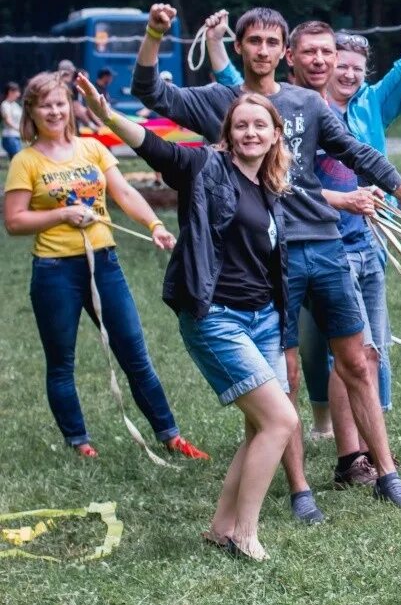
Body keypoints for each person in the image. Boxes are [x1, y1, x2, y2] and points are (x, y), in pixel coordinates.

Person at [132, 3, 401, 520]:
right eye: (252, 42)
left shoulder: (307, 101)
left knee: (357, 361)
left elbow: (360, 154)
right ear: (239, 49)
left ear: (283, 52)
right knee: (283, 378)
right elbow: (150, 93)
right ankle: (300, 489)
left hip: (326, 248)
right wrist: (154, 35)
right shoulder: (220, 101)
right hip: (268, 261)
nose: (262, 50)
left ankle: (387, 472)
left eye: (271, 42)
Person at [207, 0, 401, 466]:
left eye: (354, 66)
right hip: (306, 244)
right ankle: (333, 444)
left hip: (368, 242)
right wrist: (215, 45)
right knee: (321, 350)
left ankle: (357, 446)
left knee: (365, 349)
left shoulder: (372, 103)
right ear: (308, 61)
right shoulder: (293, 107)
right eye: (335, 63)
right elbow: (237, 97)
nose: (345, 73)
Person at [76, 74, 296, 561]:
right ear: (228, 132)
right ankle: (246, 533)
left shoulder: (269, 187)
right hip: (216, 316)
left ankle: (221, 529)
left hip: (263, 318)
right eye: (241, 125)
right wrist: (108, 115)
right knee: (280, 421)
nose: (251, 133)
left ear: (276, 134)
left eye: (261, 125)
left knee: (261, 427)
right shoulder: (205, 168)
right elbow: (154, 147)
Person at [3, 71, 207, 461]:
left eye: (60, 102)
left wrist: (156, 224)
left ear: (70, 107)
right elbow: (14, 221)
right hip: (54, 270)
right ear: (31, 109)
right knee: (61, 362)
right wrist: (62, 215)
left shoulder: (92, 149)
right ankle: (79, 442)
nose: (55, 110)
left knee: (135, 355)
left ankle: (171, 436)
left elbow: (125, 192)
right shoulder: (25, 160)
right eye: (45, 104)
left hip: (105, 264)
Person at [2, 81, 22, 159]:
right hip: (9, 137)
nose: (19, 94)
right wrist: (18, 128)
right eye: (17, 92)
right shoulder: (5, 105)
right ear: (10, 92)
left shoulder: (16, 105)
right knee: (17, 160)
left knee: (16, 161)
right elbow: (8, 120)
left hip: (16, 136)